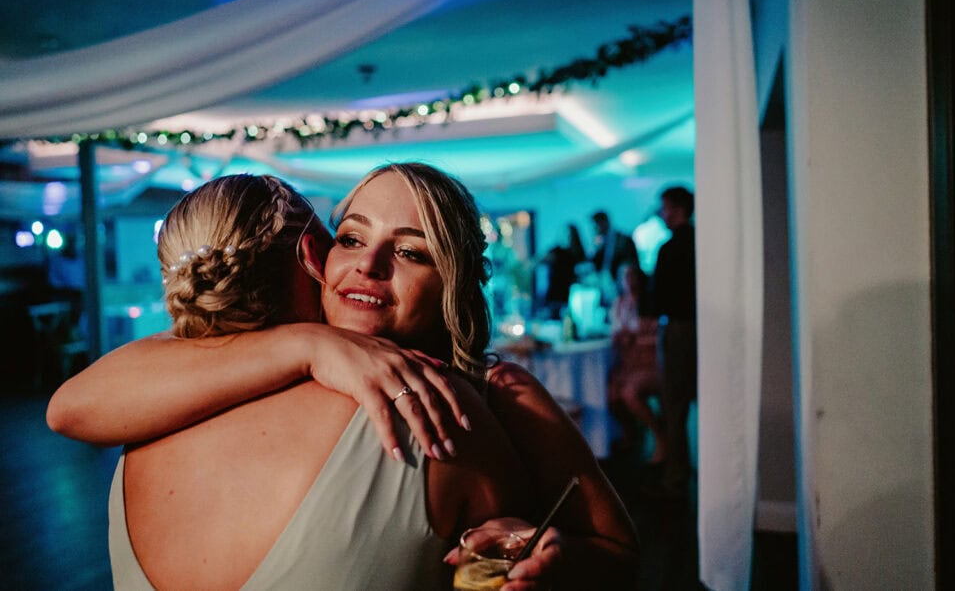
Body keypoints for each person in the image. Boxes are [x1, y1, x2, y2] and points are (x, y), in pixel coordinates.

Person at [48, 163, 639, 590]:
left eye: (411, 251)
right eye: (351, 238)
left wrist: (559, 558)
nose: (367, 263)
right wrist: (309, 343)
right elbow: (69, 405)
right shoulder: (203, 375)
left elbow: (618, 553)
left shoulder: (492, 395)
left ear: (454, 282)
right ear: (316, 259)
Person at [652, 185, 697, 501]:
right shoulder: (701, 242)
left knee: (675, 403)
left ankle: (675, 475)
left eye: (665, 208)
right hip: (701, 328)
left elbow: (658, 299)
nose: (662, 214)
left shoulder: (669, 249)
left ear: (677, 209)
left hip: (679, 330)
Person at [606, 263, 665, 464]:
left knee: (629, 393)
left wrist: (633, 337)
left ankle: (660, 438)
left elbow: (658, 337)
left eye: (632, 276)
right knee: (610, 392)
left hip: (650, 364)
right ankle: (630, 434)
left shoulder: (650, 303)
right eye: (625, 277)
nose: (629, 282)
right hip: (630, 363)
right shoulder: (619, 304)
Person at [589, 210, 639, 305]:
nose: (594, 229)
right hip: (606, 287)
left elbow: (632, 264)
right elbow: (596, 266)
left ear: (603, 222)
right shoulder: (598, 243)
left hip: (622, 288)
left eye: (595, 226)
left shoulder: (623, 240)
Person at [537, 223, 585, 319]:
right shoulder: (555, 251)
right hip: (556, 295)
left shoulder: (578, 252)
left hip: (574, 296)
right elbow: (539, 261)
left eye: (570, 234)